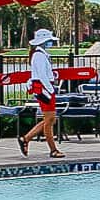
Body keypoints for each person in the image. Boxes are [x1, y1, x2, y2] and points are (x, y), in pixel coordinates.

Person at [20, 29, 64, 159]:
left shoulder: (41, 54)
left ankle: (26, 139)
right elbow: (42, 75)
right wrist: (51, 90)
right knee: (50, 119)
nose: (51, 43)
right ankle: (53, 150)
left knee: (50, 119)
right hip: (44, 89)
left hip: (44, 88)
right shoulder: (39, 56)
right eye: (49, 40)